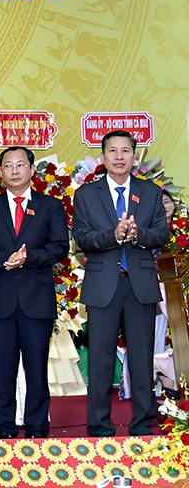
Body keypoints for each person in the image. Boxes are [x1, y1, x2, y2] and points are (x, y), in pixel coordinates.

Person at [73, 130, 169, 437]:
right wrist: (113, 236)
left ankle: (142, 424)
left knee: (141, 358)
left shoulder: (150, 192)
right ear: (103, 157)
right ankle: (99, 425)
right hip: (104, 285)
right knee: (100, 359)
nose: (118, 156)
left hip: (139, 285)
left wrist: (138, 234)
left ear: (133, 157)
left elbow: (161, 234)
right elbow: (82, 238)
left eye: (125, 151)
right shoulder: (86, 194)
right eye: (112, 151)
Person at [0, 146, 69, 438]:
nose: (14, 171)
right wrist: (5, 259)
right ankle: (4, 425)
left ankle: (37, 426)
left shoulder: (50, 206)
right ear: (0, 171)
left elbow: (60, 247)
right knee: (3, 368)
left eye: (20, 165)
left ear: (32, 169)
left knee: (36, 368)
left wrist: (29, 257)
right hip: (1, 300)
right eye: (8, 166)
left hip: (36, 299)